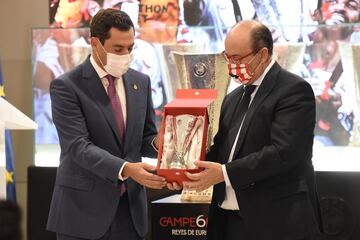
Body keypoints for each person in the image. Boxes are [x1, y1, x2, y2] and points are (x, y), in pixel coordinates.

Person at [178, 20, 323, 240]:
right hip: (229, 222)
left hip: (277, 223)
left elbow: (284, 152)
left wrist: (224, 173)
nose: (231, 66)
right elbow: (221, 150)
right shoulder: (233, 98)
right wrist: (185, 168)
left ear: (263, 54)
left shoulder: (293, 90)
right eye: (227, 57)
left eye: (236, 58)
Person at [46, 9, 167, 240]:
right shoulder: (66, 86)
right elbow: (78, 146)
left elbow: (144, 138)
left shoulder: (140, 82)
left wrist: (161, 143)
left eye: (130, 48)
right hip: (82, 214)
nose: (126, 55)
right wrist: (126, 169)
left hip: (130, 214)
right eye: (118, 49)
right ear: (95, 43)